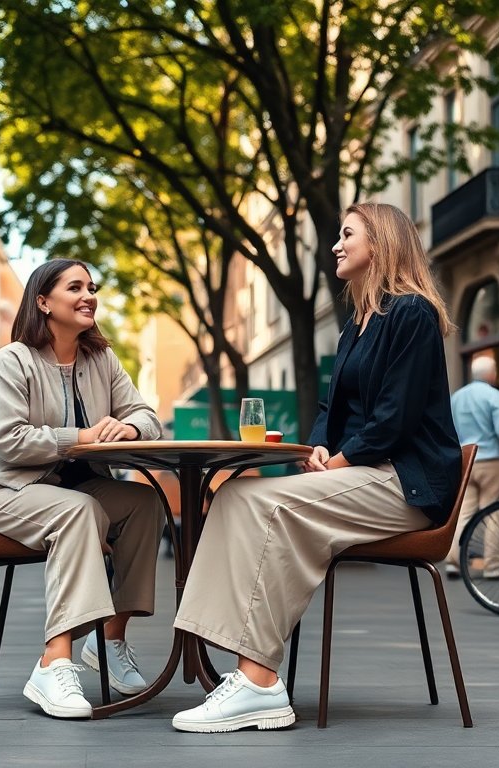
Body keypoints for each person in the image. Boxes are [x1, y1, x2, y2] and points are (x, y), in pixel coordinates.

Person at [170, 203, 461, 733]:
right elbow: (332, 411)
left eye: (347, 233)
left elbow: (396, 419)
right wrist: (319, 449)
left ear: (382, 243)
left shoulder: (412, 314)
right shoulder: (356, 323)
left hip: (408, 484)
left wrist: (342, 460)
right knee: (236, 496)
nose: (336, 244)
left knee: (276, 506)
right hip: (364, 474)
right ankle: (221, 653)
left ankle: (258, 682)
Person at [0, 258, 164, 720]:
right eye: (75, 287)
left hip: (73, 490)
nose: (88, 295)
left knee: (144, 503)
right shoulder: (11, 361)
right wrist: (82, 436)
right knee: (78, 512)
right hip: (1, 491)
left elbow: (145, 414)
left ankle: (109, 640)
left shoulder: (102, 359)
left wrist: (129, 429)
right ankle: (53, 662)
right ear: (43, 301)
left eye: (92, 286)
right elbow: (9, 442)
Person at [444, 356, 499, 579]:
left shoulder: (457, 397)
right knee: (494, 514)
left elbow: (449, 430)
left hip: (466, 460)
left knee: (464, 513)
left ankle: (453, 562)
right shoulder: (494, 395)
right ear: (491, 373)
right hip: (493, 460)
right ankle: (492, 566)